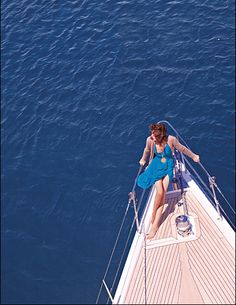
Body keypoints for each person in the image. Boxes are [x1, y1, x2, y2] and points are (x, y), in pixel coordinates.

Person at [138, 123, 200, 239]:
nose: (152, 138)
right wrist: (143, 159)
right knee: (159, 192)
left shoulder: (171, 140)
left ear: (161, 135)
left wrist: (193, 156)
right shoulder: (150, 140)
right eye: (152, 135)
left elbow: (182, 149)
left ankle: (154, 225)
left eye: (155, 136)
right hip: (156, 166)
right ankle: (153, 213)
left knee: (162, 194)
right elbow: (147, 150)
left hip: (168, 167)